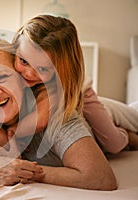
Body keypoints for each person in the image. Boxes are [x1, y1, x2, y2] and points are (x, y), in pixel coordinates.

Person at [0, 25, 117, 190]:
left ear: (21, 80)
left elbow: (102, 178)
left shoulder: (53, 110)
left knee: (117, 138)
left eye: (3, 76)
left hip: (95, 106)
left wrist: (25, 171)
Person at [11, 14, 138, 154]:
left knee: (114, 144)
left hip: (82, 96)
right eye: (24, 61)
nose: (28, 73)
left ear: (61, 70)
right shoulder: (10, 65)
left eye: (42, 69)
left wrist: (11, 133)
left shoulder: (58, 87)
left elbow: (39, 120)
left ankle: (129, 136)